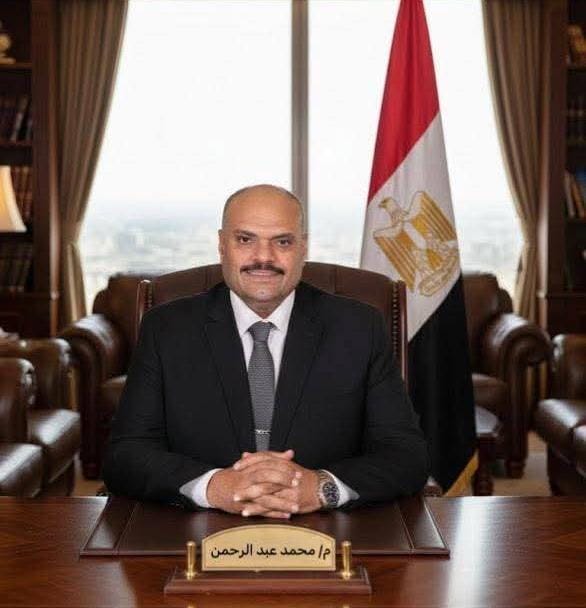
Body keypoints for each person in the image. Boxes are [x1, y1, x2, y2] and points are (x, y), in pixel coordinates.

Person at [103, 184, 429, 517]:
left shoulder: (360, 327)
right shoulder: (166, 329)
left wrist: (321, 488)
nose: (264, 258)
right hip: (199, 527)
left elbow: (406, 456)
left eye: (282, 242)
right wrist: (214, 487)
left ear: (303, 248)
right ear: (222, 245)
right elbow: (125, 455)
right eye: (245, 240)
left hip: (326, 528)